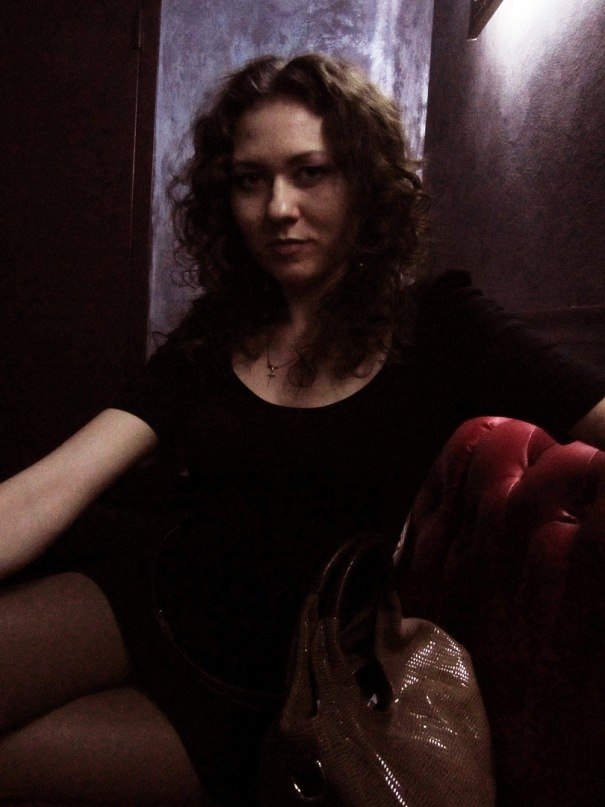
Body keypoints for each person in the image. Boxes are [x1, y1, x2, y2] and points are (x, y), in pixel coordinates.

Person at [0, 53, 604, 805]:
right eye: (250, 180)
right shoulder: (220, 327)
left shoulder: (440, 326)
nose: (277, 207)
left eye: (310, 172)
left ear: (364, 182)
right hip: (138, 602)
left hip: (264, 696)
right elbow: (54, 485)